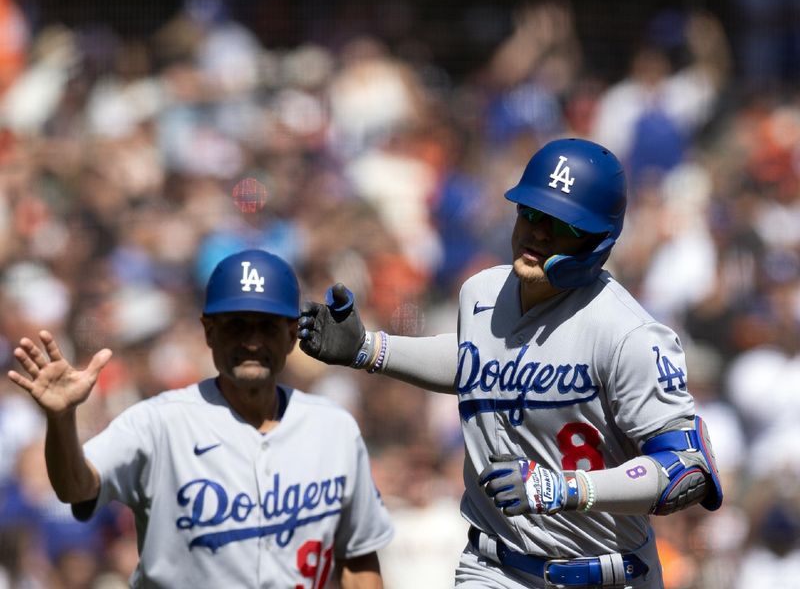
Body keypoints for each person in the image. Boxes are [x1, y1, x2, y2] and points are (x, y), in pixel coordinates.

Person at [298, 138, 724, 589]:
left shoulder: (628, 333)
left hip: (608, 573)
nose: (538, 232)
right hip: (494, 568)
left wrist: (566, 489)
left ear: (599, 239)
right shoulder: (481, 293)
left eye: (561, 224)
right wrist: (369, 348)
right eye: (531, 213)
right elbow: (473, 358)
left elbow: (686, 469)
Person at [8, 248, 394, 589]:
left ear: (293, 334)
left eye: (266, 326)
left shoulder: (334, 430)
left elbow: (358, 562)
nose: (252, 341)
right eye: (236, 325)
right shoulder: (157, 423)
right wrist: (61, 420)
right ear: (209, 332)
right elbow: (76, 489)